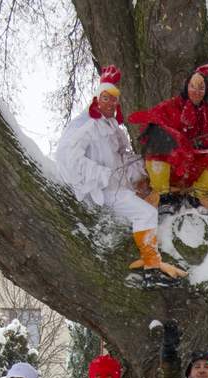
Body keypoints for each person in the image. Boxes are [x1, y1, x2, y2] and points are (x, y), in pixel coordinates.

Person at [55, 64, 183, 278]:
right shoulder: (88, 128)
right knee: (146, 213)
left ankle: (153, 251)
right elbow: (68, 158)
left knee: (151, 203)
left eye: (114, 100)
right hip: (105, 191)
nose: (111, 103)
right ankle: (151, 267)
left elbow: (123, 159)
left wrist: (145, 166)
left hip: (119, 187)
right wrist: (101, 174)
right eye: (106, 98)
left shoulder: (114, 129)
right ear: (97, 100)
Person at [128, 63, 208, 209]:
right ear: (186, 87)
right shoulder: (171, 106)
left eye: (201, 88)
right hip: (173, 169)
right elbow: (150, 121)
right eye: (192, 86)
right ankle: (162, 193)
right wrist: (168, 138)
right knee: (156, 146)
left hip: (196, 170)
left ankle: (197, 193)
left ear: (206, 90)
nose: (196, 92)